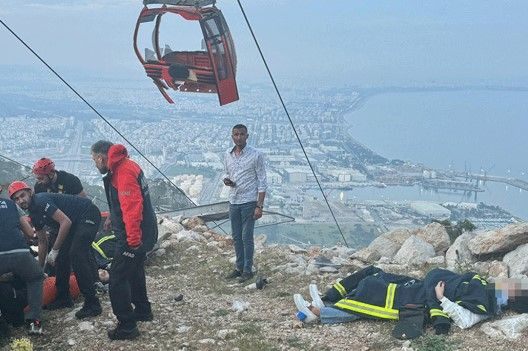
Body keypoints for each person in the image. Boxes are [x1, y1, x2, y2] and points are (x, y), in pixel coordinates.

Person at [294, 266, 528, 333]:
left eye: (513, 287)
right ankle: (328, 297)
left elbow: (464, 320)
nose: (509, 283)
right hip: (422, 285)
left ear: (510, 296)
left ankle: (317, 313)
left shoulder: (485, 305)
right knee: (373, 273)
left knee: (373, 296)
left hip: (423, 299)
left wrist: (439, 299)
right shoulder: (485, 286)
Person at [91, 140, 158, 340]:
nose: (95, 164)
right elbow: (124, 201)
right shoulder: (126, 165)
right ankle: (143, 310)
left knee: (118, 279)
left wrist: (133, 241)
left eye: (94, 160)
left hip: (134, 234)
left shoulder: (123, 172)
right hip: (141, 230)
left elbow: (132, 208)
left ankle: (127, 325)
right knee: (135, 269)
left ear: (102, 158)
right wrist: (113, 216)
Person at [8, 181, 102, 320]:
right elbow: (42, 241)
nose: (21, 200)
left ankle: (92, 303)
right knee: (62, 258)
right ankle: (63, 297)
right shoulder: (34, 213)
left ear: (30, 193)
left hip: (88, 214)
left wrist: (55, 249)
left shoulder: (40, 201)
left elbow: (65, 222)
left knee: (76, 254)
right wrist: (39, 270)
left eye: (23, 195)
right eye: (17, 199)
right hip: (75, 222)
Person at [223, 124, 267, 283]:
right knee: (236, 237)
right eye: (236, 134)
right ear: (232, 136)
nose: (239, 137)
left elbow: (262, 181)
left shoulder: (256, 155)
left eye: (242, 134)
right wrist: (227, 181)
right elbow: (227, 173)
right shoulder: (228, 154)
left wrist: (259, 206)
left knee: (246, 237)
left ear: (247, 136)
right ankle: (239, 267)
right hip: (233, 200)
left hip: (249, 201)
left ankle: (248, 269)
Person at [0, 196, 44, 335]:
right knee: (35, 278)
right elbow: (30, 232)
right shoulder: (10, 203)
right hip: (20, 252)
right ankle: (34, 322)